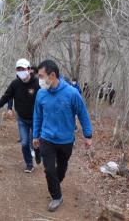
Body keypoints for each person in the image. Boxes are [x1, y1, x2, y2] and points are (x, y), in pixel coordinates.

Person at [32, 60, 92, 212]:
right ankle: (56, 196)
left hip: (66, 140)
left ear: (52, 75)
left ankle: (55, 183)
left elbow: (83, 113)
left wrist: (87, 134)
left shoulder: (72, 93)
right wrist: (35, 136)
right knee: (49, 170)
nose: (39, 79)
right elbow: (37, 116)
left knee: (62, 168)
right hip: (47, 139)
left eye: (41, 76)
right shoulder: (41, 93)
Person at [0, 58, 41, 173]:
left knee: (35, 141)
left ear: (29, 70)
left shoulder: (37, 83)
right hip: (22, 119)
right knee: (24, 142)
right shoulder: (15, 84)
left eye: (23, 69)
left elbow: (46, 98)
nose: (21, 71)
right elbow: (6, 97)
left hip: (36, 119)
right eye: (18, 69)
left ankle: (38, 152)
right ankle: (29, 164)